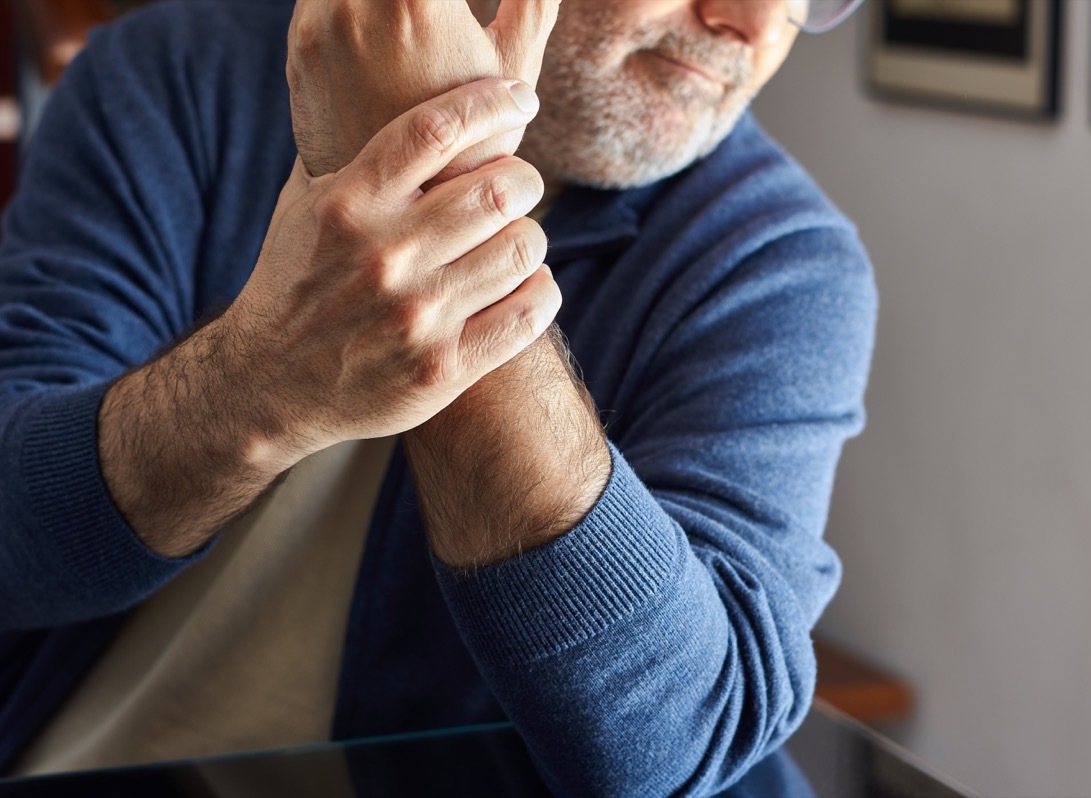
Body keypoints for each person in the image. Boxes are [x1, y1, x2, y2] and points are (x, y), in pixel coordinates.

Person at [0, 0, 875, 794]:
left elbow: (676, 744)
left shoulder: (780, 257)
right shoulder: (171, 75)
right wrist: (262, 385)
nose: (756, 26)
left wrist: (452, 201)